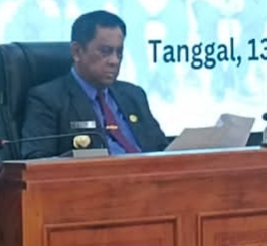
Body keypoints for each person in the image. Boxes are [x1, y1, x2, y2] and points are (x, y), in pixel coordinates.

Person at [20, 11, 169, 159]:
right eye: (105, 51)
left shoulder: (133, 95)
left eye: (119, 52)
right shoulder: (48, 99)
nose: (114, 60)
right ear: (77, 51)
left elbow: (162, 149)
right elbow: (37, 161)